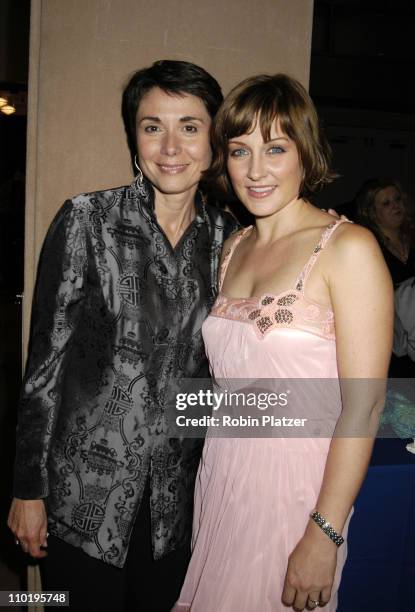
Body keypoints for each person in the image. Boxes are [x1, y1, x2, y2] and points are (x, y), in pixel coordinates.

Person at [7, 60, 238, 612]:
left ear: (214, 141)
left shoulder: (231, 241)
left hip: (178, 502)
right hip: (82, 494)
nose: (170, 146)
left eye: (190, 125)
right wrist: (26, 489)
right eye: (152, 125)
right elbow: (45, 367)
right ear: (134, 138)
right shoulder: (87, 220)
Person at [174, 74, 393, 611]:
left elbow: (364, 408)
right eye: (239, 151)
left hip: (297, 492)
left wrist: (324, 532)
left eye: (275, 148)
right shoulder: (234, 247)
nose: (256, 170)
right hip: (224, 476)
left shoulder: (349, 249)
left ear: (305, 153)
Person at [355, 178, 415, 287]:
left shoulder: (411, 236)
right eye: (386, 203)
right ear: (372, 213)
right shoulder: (371, 248)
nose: (396, 206)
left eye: (397, 199)